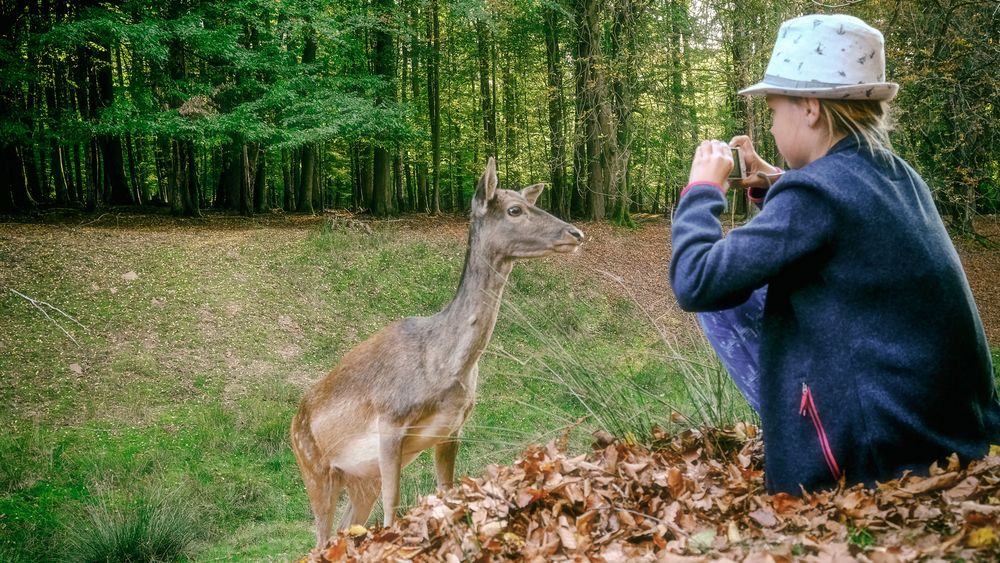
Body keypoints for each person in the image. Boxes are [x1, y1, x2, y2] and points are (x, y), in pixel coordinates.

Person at [668, 13, 1000, 495]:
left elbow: (695, 281)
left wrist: (700, 191)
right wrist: (777, 183)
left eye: (774, 108)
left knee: (726, 300)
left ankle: (807, 443)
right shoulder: (896, 173)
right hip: (948, 430)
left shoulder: (816, 196)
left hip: (881, 454)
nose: (771, 121)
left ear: (809, 109)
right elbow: (847, 217)